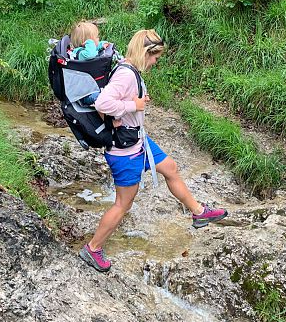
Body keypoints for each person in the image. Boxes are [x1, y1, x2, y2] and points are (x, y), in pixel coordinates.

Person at [79, 29, 228, 273]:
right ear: (145, 52)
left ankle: (199, 213)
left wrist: (135, 104)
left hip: (139, 140)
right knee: (123, 204)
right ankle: (93, 248)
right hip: (125, 150)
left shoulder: (130, 70)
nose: (156, 61)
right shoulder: (125, 75)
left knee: (170, 167)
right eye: (155, 57)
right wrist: (133, 105)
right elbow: (103, 103)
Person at [69, 21, 110, 105]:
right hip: (85, 94)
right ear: (87, 42)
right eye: (97, 37)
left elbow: (94, 50)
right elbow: (91, 55)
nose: (99, 38)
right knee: (104, 98)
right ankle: (105, 117)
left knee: (109, 95)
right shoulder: (80, 53)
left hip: (92, 88)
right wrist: (90, 42)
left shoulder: (88, 50)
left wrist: (101, 45)